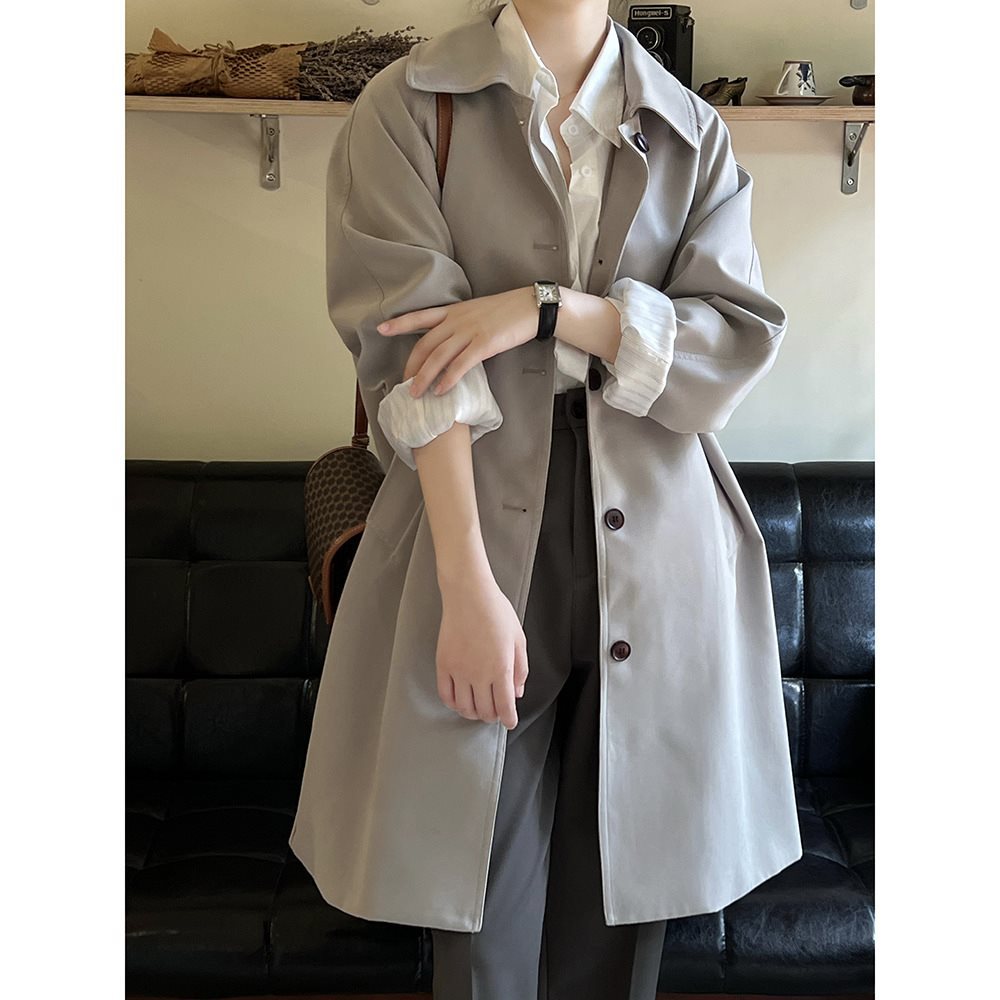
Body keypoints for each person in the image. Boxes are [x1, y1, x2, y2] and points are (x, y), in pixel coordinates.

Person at [289, 2, 801, 998]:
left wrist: (549, 309)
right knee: (478, 895)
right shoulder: (409, 105)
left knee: (624, 888)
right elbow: (410, 354)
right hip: (474, 519)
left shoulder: (690, 129)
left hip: (661, 536)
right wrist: (465, 585)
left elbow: (731, 351)